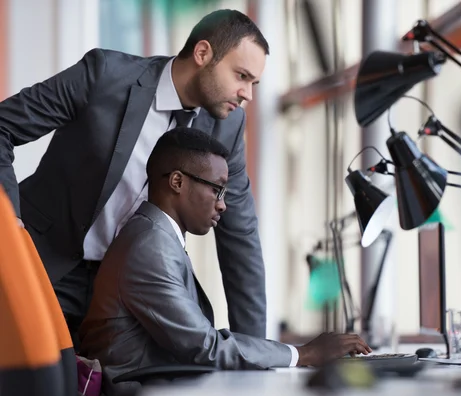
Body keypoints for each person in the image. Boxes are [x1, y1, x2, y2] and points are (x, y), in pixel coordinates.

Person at [0, 9, 270, 347]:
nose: (247, 94)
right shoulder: (104, 76)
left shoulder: (227, 127)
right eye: (241, 76)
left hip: (129, 292)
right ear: (203, 54)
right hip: (46, 265)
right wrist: (9, 224)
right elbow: (3, 126)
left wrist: (258, 354)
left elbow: (240, 236)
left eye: (253, 83)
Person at [79, 127, 372, 396]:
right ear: (177, 182)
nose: (223, 204)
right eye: (217, 189)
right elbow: (206, 347)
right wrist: (303, 354)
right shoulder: (149, 246)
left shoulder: (154, 237)